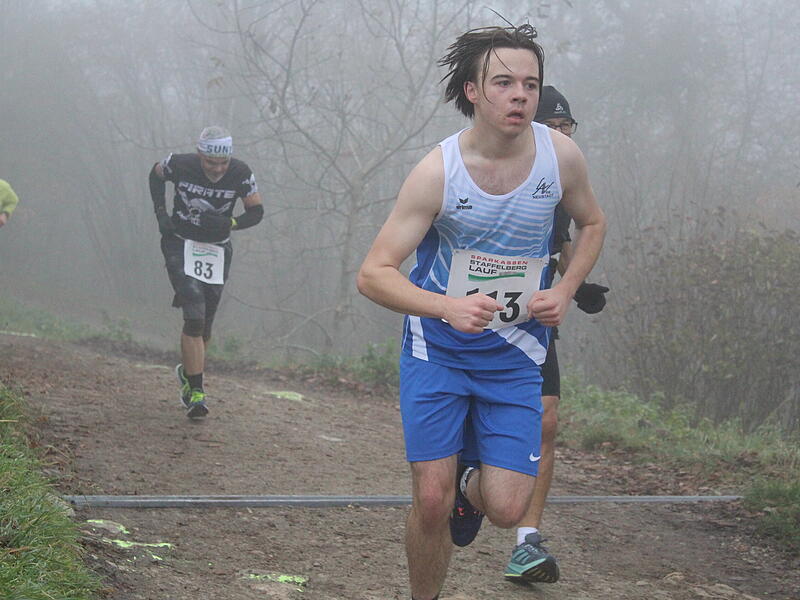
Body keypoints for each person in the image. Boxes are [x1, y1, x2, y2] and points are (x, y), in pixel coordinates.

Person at [356, 24, 606, 600]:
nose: (520, 95)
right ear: (472, 91)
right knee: (431, 499)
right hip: (437, 350)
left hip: (514, 354)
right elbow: (374, 273)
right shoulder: (438, 171)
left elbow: (592, 222)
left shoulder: (560, 156)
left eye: (530, 84)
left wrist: (565, 288)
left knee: (507, 507)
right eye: (503, 83)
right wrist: (447, 306)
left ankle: (473, 484)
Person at [459, 85, 610, 584]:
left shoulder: (563, 175)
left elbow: (567, 236)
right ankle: (469, 482)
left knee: (546, 420)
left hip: (531, 319)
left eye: (570, 128)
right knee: (472, 410)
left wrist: (575, 287)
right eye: (555, 128)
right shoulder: (482, 168)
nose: (564, 137)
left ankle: (527, 541)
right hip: (469, 314)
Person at [149, 126, 263, 418]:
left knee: (205, 325)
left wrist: (231, 224)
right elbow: (155, 174)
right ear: (200, 155)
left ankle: (189, 373)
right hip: (179, 242)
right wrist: (161, 214)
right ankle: (197, 393)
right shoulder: (180, 163)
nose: (217, 168)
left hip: (217, 248)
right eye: (211, 162)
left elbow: (256, 211)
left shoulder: (241, 173)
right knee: (193, 310)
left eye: (222, 163)